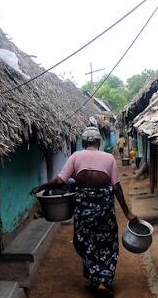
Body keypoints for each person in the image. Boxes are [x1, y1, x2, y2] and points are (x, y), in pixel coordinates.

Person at [31, 126, 137, 297]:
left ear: (83, 142)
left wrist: (41, 187)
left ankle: (94, 278)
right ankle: (103, 281)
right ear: (98, 142)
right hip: (105, 209)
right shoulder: (109, 158)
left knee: (85, 241)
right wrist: (127, 213)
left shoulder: (75, 156)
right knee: (108, 242)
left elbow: (59, 181)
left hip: (83, 209)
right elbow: (116, 187)